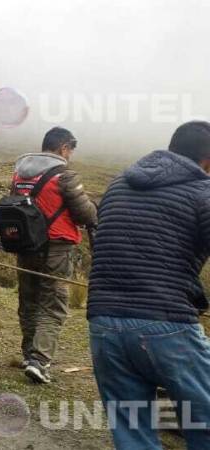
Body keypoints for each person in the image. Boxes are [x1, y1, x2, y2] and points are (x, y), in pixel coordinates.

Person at [88, 121, 210, 449]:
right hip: (166, 325)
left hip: (103, 324)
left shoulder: (118, 185)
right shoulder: (203, 192)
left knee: (131, 431)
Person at [11, 127, 97, 384]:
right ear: (63, 148)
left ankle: (28, 354)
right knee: (53, 304)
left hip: (26, 245)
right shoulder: (64, 175)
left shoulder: (19, 173)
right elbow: (87, 214)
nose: (70, 155)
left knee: (29, 300)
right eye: (70, 149)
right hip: (56, 247)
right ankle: (40, 360)